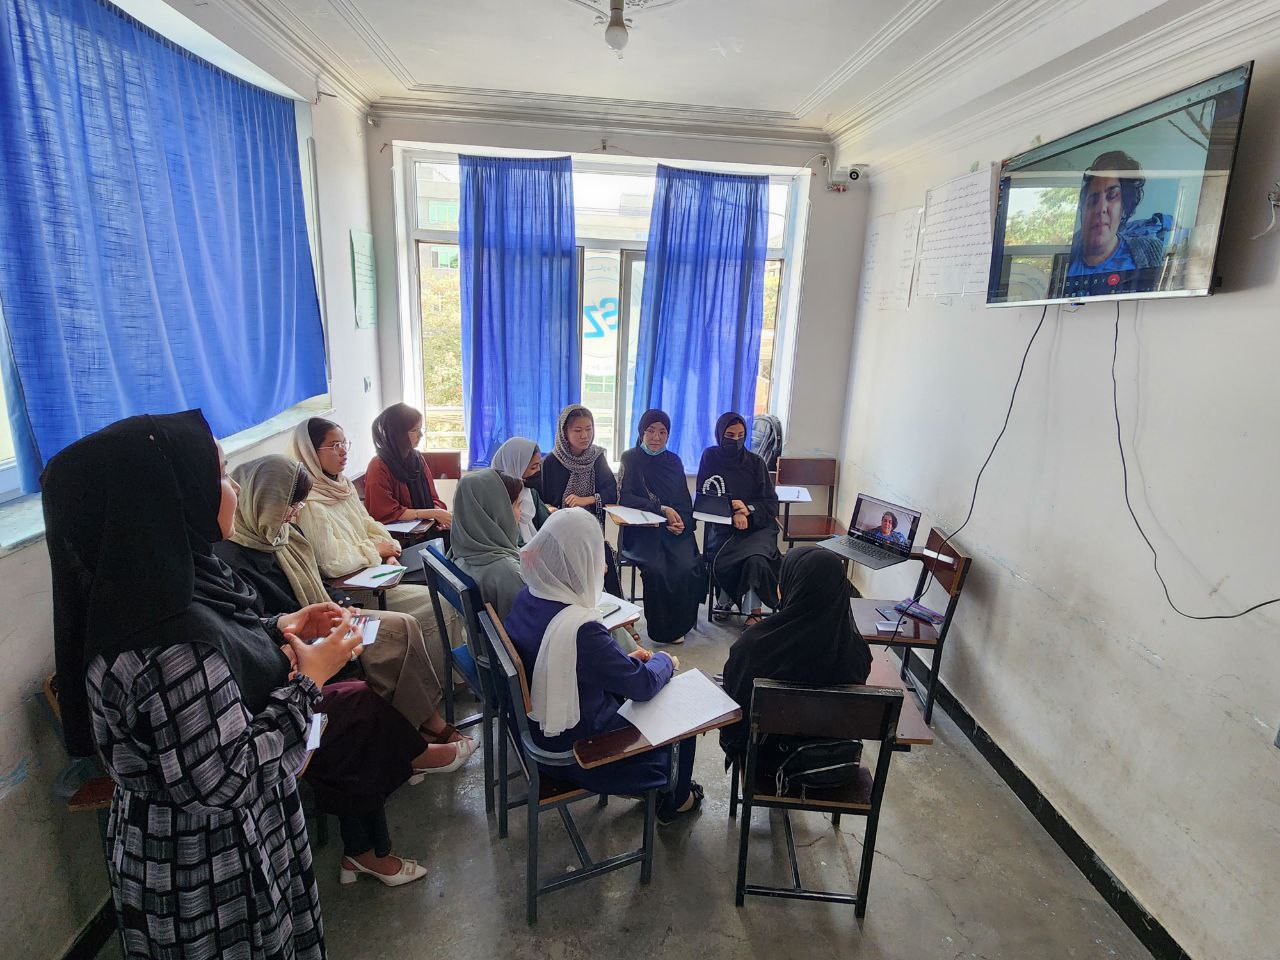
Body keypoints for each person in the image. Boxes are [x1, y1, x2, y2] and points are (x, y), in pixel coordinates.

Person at [44, 410, 366, 958]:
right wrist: (310, 679)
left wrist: (276, 628)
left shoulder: (164, 585)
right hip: (208, 867)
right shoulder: (167, 644)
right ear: (167, 497)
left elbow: (221, 647)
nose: (234, 487)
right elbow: (229, 779)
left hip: (226, 841)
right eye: (219, 473)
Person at [215, 454, 473, 749]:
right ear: (262, 500)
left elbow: (320, 583)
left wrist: (343, 605)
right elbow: (261, 624)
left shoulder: (286, 535)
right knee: (393, 638)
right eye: (290, 504)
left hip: (327, 619)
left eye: (298, 503)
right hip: (299, 643)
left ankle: (417, 728)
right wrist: (322, 622)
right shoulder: (234, 558)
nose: (295, 513)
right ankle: (417, 734)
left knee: (403, 624)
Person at [503, 509, 702, 824]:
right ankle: (677, 798)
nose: (604, 565)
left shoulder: (529, 597)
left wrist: (622, 663)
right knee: (685, 711)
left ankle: (674, 791)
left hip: (535, 733)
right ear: (579, 560)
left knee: (637, 685)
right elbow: (643, 686)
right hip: (580, 753)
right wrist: (665, 660)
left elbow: (581, 666)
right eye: (596, 554)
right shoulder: (580, 627)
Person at [289, 418, 463, 670]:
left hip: (377, 575)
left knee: (445, 592)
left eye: (344, 443)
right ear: (310, 452)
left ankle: (447, 677)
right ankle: (442, 678)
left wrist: (389, 548)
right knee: (442, 605)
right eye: (334, 445)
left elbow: (369, 524)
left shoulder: (341, 485)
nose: (343, 450)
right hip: (358, 592)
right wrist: (376, 551)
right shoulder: (311, 502)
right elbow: (332, 562)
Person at [719, 545, 872, 767]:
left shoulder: (755, 646)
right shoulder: (856, 652)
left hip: (766, 762)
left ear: (792, 586)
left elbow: (735, 717)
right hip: (833, 761)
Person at [617, 409, 703, 644]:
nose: (656, 437)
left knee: (687, 566)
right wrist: (661, 509)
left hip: (674, 530)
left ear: (668, 435)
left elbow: (685, 500)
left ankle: (679, 625)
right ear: (641, 432)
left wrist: (682, 523)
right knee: (656, 570)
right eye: (650, 431)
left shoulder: (673, 461)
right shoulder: (630, 458)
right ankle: (661, 629)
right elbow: (624, 497)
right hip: (644, 529)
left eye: (662, 432)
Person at [696, 412, 781, 625]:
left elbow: (771, 503)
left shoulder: (756, 462)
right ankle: (724, 601)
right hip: (724, 527)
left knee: (756, 560)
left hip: (758, 528)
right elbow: (704, 495)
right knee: (726, 557)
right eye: (730, 435)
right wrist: (732, 513)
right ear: (719, 434)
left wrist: (747, 509)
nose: (735, 440)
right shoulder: (711, 457)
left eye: (741, 435)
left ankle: (754, 612)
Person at [539, 404, 624, 597]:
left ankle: (613, 608)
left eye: (589, 429)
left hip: (590, 529)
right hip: (559, 531)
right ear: (564, 432)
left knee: (605, 559)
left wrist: (586, 500)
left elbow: (612, 492)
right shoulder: (551, 462)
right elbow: (541, 500)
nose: (585, 435)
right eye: (578, 430)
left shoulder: (596, 457)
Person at [1066, 150, 1164, 279]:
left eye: (1112, 196)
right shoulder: (1066, 255)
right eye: (1093, 200)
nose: (1101, 208)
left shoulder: (1149, 252)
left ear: (1124, 207)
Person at [448, 468, 526, 622]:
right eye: (518, 505)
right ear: (498, 511)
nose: (521, 513)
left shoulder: (460, 550)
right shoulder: (506, 573)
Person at [364, 402, 452, 529]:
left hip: (425, 528)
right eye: (414, 430)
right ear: (397, 434)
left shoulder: (417, 459)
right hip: (398, 538)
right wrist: (433, 513)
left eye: (421, 429)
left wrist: (441, 517)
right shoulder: (378, 466)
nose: (420, 435)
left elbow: (433, 498)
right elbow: (386, 512)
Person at [491, 436, 554, 545]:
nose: (538, 471)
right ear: (515, 466)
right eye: (533, 467)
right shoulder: (497, 497)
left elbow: (548, 524)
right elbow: (508, 542)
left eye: (539, 466)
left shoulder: (530, 493)